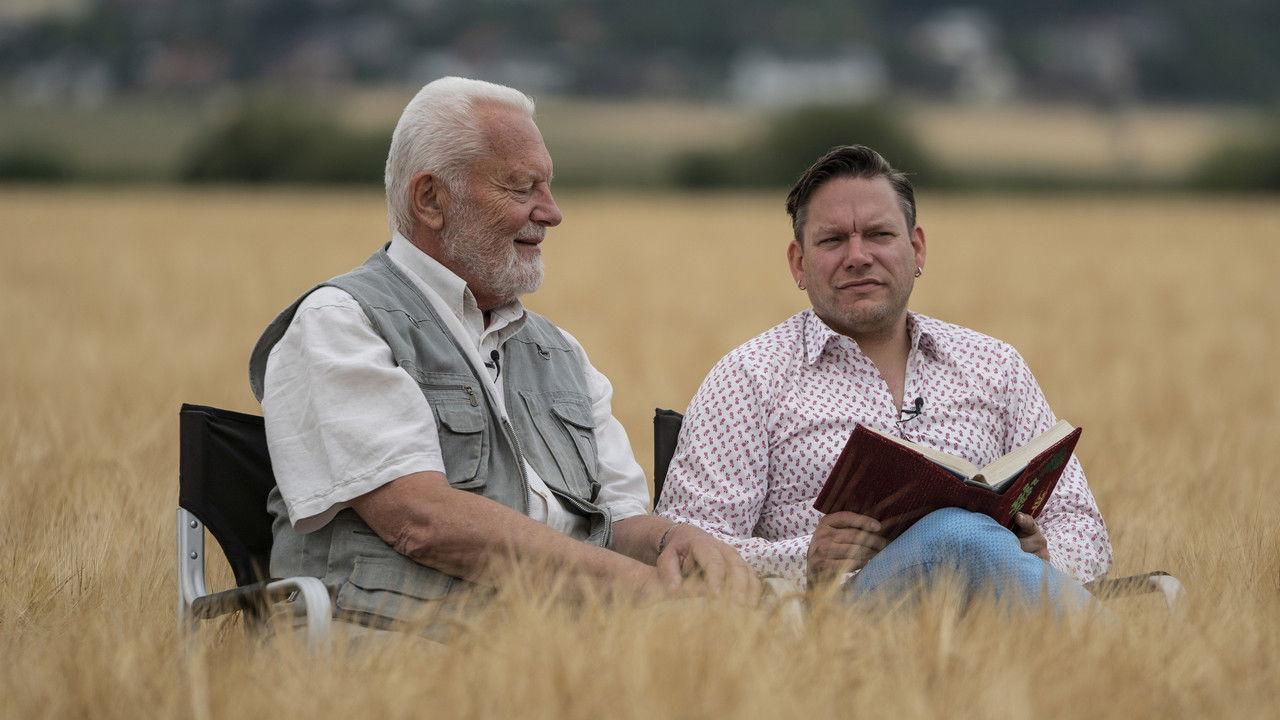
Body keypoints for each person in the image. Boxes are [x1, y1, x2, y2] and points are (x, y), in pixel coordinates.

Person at [249, 77, 756, 630]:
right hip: (395, 650)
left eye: (549, 187)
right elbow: (421, 520)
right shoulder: (342, 321)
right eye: (521, 188)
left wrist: (670, 541)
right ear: (431, 199)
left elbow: (616, 526)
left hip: (555, 651)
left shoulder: (562, 353)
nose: (552, 213)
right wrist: (645, 591)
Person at [655, 145, 1112, 610]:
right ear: (798, 263)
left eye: (879, 235)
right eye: (832, 241)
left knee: (969, 539)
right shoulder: (750, 377)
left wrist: (1041, 557)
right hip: (835, 623)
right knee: (955, 533)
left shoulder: (995, 365)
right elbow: (686, 549)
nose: (858, 256)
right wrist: (807, 557)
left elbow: (1083, 526)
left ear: (917, 249)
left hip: (999, 628)